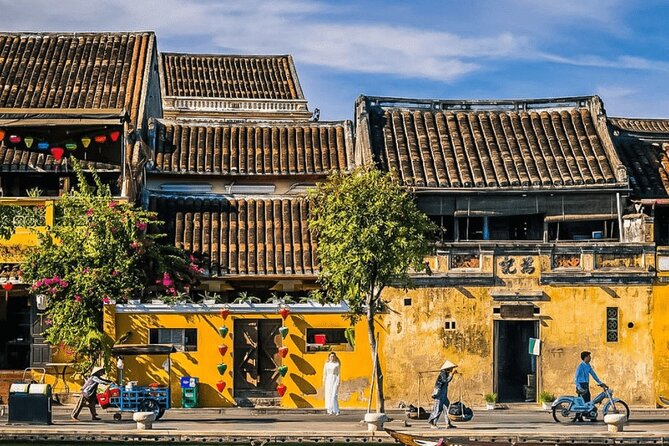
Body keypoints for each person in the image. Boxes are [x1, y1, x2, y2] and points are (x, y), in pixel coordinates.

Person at [573, 351, 604, 421]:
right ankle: (580, 417)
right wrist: (579, 387)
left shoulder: (588, 365)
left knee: (588, 401)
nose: (590, 358)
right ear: (585, 357)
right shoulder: (580, 366)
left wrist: (600, 382)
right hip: (581, 385)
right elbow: (576, 378)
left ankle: (589, 416)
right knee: (582, 402)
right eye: (589, 356)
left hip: (586, 384)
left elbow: (593, 374)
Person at [428, 360, 458, 429]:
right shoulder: (443, 373)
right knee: (438, 409)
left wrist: (451, 375)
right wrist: (452, 374)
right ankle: (433, 423)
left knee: (447, 407)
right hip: (439, 394)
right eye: (451, 368)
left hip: (444, 394)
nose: (452, 369)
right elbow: (446, 380)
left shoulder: (446, 373)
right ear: (448, 368)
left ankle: (448, 423)